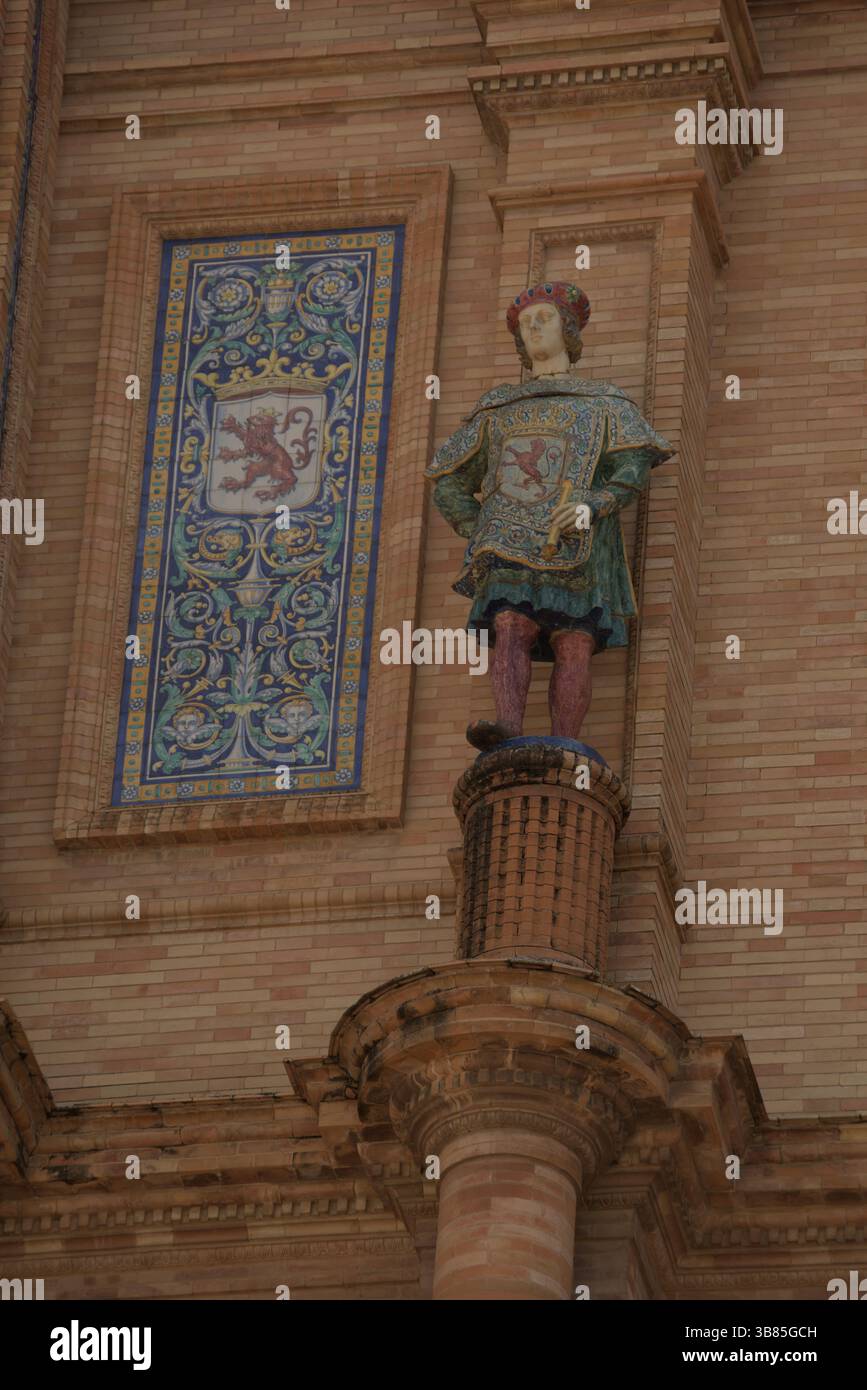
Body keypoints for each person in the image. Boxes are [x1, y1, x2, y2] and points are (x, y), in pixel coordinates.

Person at [425, 282, 674, 750]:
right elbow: (449, 479)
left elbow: (634, 463)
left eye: (545, 319)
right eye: (525, 324)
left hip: (577, 539)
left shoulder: (604, 403)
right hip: (507, 543)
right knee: (510, 626)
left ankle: (566, 743)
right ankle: (507, 727)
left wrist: (593, 505)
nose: (534, 329)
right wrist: (479, 527)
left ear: (569, 328)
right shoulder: (498, 407)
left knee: (574, 638)